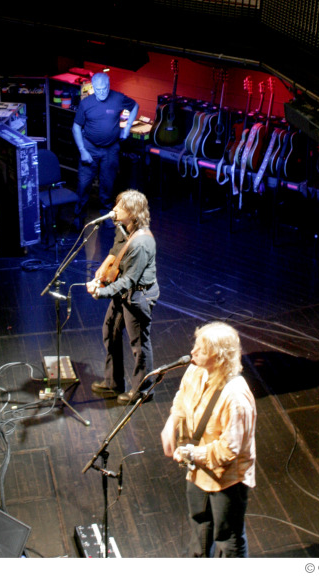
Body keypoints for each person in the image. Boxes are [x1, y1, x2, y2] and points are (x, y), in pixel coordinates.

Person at [160, 322, 256, 557]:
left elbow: (228, 450)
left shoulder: (236, 397)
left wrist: (191, 453)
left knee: (227, 537)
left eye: (201, 350)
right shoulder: (194, 370)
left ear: (219, 358)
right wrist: (170, 422)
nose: (192, 352)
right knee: (200, 522)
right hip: (198, 469)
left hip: (227, 478)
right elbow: (182, 397)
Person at [86, 189, 159, 405]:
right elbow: (116, 249)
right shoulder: (124, 229)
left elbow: (128, 281)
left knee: (139, 343)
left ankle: (143, 391)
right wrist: (102, 270)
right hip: (127, 293)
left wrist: (101, 292)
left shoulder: (142, 242)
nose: (114, 210)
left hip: (138, 296)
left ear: (133, 212)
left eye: (120, 207)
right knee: (110, 331)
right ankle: (112, 383)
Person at [72, 72, 138, 227]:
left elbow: (135, 106)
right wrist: (83, 151)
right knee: (84, 184)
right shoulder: (86, 104)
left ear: (109, 86)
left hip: (110, 149)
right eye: (99, 89)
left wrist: (127, 127)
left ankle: (106, 215)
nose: (102, 92)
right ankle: (78, 216)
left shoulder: (118, 98)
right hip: (90, 148)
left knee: (108, 184)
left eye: (105, 89)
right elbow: (76, 128)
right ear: (93, 87)